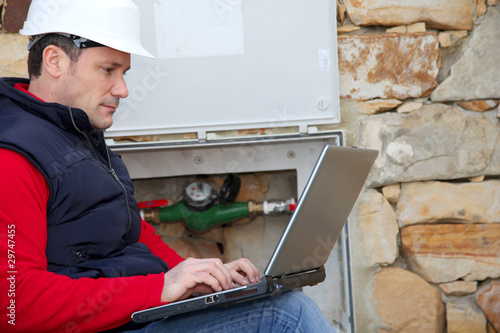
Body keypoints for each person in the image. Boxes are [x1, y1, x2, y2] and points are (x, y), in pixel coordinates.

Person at [0, 1, 335, 332]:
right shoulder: (14, 158)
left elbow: (131, 232)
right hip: (111, 324)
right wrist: (160, 288)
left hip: (135, 315)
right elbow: (13, 305)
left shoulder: (75, 131)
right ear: (55, 60)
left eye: (124, 73)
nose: (123, 89)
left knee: (277, 304)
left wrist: (198, 276)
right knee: (285, 315)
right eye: (108, 70)